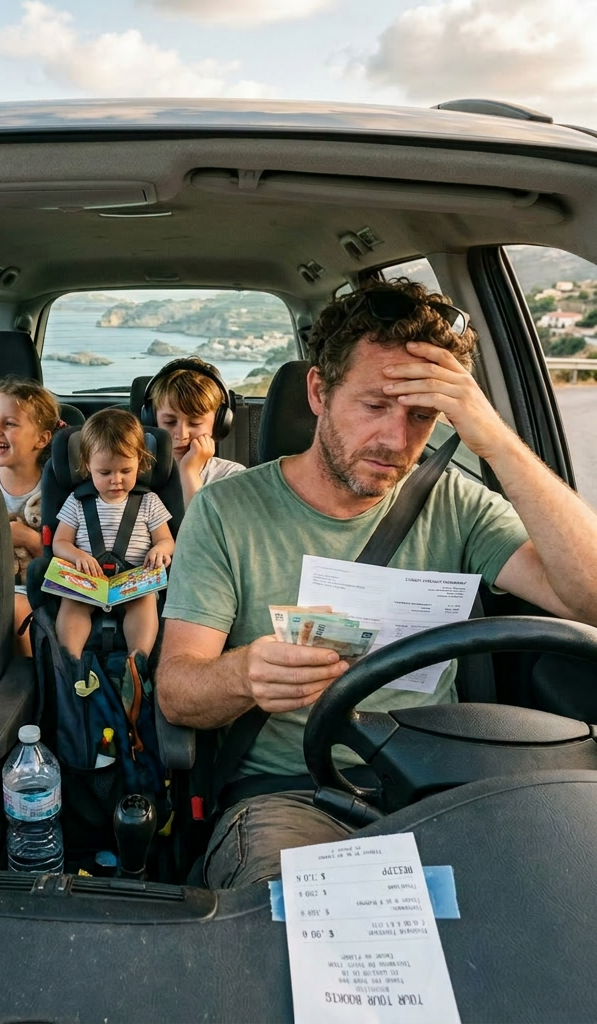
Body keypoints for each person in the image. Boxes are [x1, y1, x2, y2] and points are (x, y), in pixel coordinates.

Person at [156, 278, 597, 889]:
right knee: (300, 931)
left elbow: (590, 597)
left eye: (422, 416)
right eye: (373, 406)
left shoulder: (457, 503)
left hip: (442, 780)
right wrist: (243, 674)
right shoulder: (226, 511)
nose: (397, 440)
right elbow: (177, 690)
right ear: (319, 391)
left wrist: (495, 442)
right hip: (296, 793)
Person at [52, 408, 174, 661]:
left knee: (144, 603)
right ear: (88, 466)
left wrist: (159, 550)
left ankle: (136, 662)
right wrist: (76, 556)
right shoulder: (77, 502)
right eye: (105, 473)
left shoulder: (149, 501)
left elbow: (166, 540)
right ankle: (70, 662)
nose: (116, 480)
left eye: (125, 471)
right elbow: (59, 542)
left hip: (133, 580)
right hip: (88, 578)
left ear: (140, 462)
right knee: (73, 604)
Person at [0, 375, 61, 657]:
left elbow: (68, 566)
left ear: (41, 438)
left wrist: (29, 539)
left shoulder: (56, 490)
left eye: (9, 423)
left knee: (15, 609)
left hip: (37, 592)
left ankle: (26, 686)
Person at [147, 358, 245, 507]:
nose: (181, 435)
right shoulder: (133, 470)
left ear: (220, 423)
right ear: (152, 420)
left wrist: (190, 471)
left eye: (195, 423)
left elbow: (200, 529)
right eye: (169, 422)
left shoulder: (231, 476)